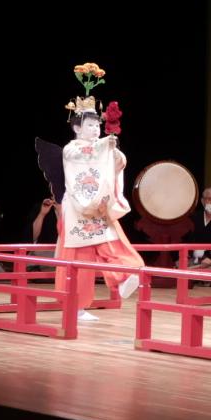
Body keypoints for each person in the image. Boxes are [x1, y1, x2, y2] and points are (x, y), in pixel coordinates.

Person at [53, 66, 144, 321]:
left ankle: (124, 275)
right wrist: (105, 144)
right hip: (77, 208)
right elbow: (88, 155)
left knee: (110, 240)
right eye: (90, 125)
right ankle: (75, 306)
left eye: (97, 125)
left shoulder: (100, 145)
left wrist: (113, 149)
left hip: (96, 205)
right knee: (78, 256)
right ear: (76, 129)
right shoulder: (70, 149)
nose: (95, 129)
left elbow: (117, 163)